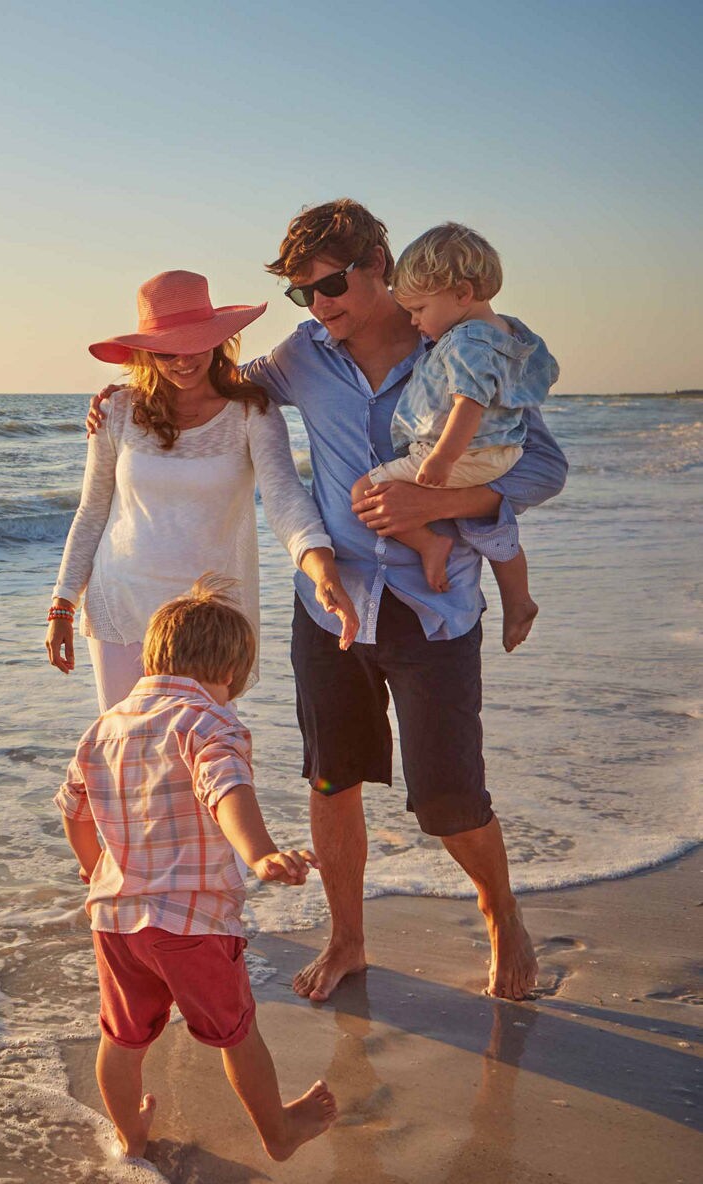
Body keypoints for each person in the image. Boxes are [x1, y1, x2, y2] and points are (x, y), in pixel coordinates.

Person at [88, 201, 568, 1002]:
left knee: (448, 801)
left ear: (379, 264)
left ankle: (501, 912)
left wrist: (438, 507)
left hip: (434, 605)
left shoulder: (457, 344)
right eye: (304, 295)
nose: (321, 308)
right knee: (330, 780)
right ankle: (347, 940)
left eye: (333, 286)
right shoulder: (302, 355)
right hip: (331, 607)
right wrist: (127, 397)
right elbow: (210, 382)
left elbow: (544, 469)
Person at [55, 575, 339, 1160]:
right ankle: (278, 1133)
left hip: (114, 919)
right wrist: (259, 853)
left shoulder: (103, 727)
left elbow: (75, 810)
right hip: (193, 924)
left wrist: (92, 870)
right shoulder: (208, 721)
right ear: (230, 675)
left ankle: (129, 1133)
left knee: (122, 1036)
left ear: (153, 656)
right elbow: (225, 786)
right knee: (236, 1034)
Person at [46, 269, 357, 713]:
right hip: (122, 604)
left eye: (195, 343)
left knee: (207, 756)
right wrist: (63, 603)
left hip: (210, 619)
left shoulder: (252, 412)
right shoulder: (116, 411)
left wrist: (321, 568)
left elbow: (285, 497)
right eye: (167, 350)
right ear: (146, 353)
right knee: (129, 758)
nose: (183, 360)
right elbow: (92, 511)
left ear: (217, 339)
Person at [349, 223, 559, 652]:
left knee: (363, 491)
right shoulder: (512, 339)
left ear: (462, 295)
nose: (414, 321)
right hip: (504, 450)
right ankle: (518, 599)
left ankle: (429, 543)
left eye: (420, 309)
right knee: (485, 525)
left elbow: (468, 403)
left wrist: (442, 458)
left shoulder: (465, 342)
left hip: (459, 452)